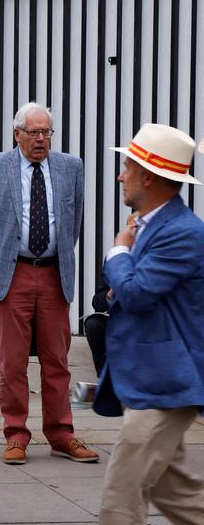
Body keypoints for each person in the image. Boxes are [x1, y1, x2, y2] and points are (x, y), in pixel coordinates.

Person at [0, 102, 96, 466]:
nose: (41, 139)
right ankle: (15, 434)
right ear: (18, 134)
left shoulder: (70, 167)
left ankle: (61, 433)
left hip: (55, 272)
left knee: (56, 359)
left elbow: (73, 222)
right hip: (13, 273)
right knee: (12, 362)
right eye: (34, 132)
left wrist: (57, 258)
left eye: (46, 132)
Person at [94, 124, 204, 525]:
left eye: (127, 167)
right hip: (152, 381)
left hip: (165, 384)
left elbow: (138, 295)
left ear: (149, 176)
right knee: (180, 498)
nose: (120, 175)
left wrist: (118, 253)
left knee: (119, 503)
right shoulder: (152, 224)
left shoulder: (182, 232)